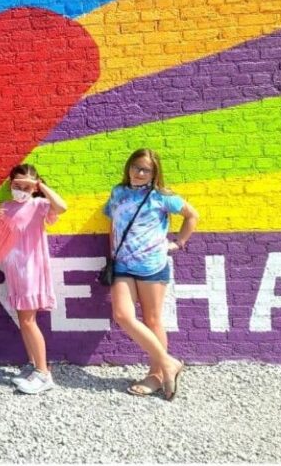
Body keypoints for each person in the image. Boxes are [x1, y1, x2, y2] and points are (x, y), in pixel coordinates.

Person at [103, 148, 199, 400]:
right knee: (122, 315)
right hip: (122, 265)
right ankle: (169, 363)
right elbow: (113, 223)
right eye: (135, 167)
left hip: (152, 266)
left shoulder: (161, 197)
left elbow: (192, 215)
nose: (139, 173)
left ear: (154, 173)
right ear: (128, 167)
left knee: (153, 320)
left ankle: (156, 375)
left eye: (145, 170)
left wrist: (179, 242)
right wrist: (112, 252)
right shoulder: (118, 192)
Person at [0, 163, 67, 395]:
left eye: (26, 186)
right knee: (23, 320)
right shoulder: (5, 207)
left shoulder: (39, 205)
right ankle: (33, 364)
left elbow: (62, 207)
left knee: (28, 321)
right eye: (17, 185)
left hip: (31, 270)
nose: (21, 190)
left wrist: (40, 187)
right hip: (14, 271)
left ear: (34, 186)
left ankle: (43, 374)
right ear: (11, 184)